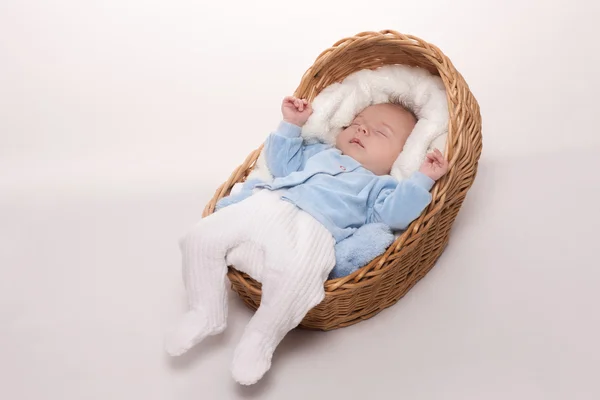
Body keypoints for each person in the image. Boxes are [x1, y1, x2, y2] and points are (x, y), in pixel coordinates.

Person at [165, 96, 449, 385]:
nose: (362, 131)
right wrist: (291, 124)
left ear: (399, 157)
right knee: (200, 236)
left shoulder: (380, 186)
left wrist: (423, 178)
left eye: (379, 132)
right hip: (271, 202)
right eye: (357, 124)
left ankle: (262, 335)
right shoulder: (320, 152)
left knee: (298, 278)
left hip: (315, 230)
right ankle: (205, 309)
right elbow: (279, 164)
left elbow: (396, 216)